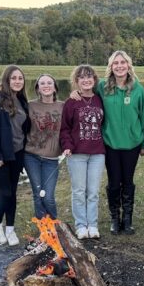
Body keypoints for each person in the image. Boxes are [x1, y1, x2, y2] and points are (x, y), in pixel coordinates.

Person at [98, 50, 144, 235]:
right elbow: (86, 96)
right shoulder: (102, 87)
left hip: (132, 145)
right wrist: (75, 93)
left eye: (123, 62)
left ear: (128, 65)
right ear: (111, 67)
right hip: (110, 143)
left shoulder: (138, 89)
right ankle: (114, 218)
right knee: (114, 182)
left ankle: (127, 220)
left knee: (127, 181)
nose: (119, 66)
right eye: (115, 63)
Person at [0, 65, 31, 246]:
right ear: (6, 80)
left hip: (17, 154)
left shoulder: (22, 100)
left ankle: (10, 228)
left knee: (13, 193)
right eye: (13, 78)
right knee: (5, 193)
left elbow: (23, 130)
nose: (17, 81)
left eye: (20, 78)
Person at [60, 65, 105, 240]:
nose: (86, 80)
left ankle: (92, 224)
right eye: (82, 77)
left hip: (97, 153)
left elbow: (104, 123)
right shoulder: (71, 102)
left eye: (89, 76)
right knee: (79, 191)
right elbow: (64, 128)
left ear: (94, 80)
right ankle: (80, 225)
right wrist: (67, 145)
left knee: (93, 192)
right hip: (77, 154)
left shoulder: (100, 99)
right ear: (76, 81)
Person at [23, 74, 64, 219]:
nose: (46, 86)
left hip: (51, 159)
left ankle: (54, 223)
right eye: (42, 83)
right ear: (38, 89)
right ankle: (43, 226)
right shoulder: (29, 106)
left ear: (55, 88)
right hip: (31, 156)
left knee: (48, 197)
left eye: (49, 83)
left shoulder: (63, 106)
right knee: (38, 193)